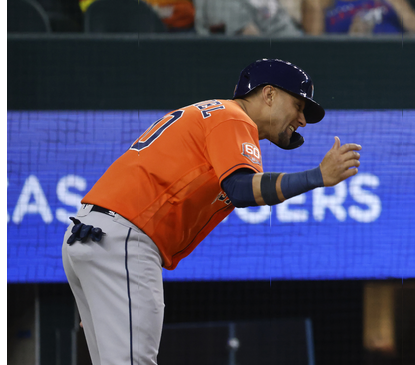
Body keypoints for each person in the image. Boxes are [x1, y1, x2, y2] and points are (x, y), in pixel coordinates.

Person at [61, 59, 362, 364]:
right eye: (298, 105)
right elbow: (241, 189)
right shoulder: (234, 118)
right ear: (268, 94)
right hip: (123, 240)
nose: (302, 120)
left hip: (93, 236)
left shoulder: (215, 114)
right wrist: (317, 176)